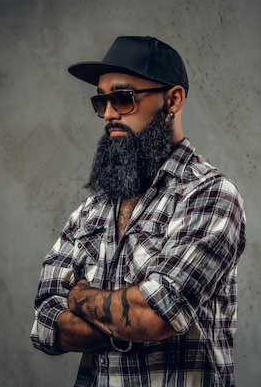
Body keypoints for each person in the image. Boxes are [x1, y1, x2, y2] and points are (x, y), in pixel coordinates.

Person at [30, 35, 247, 387]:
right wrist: (121, 324)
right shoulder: (93, 209)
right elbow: (44, 321)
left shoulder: (209, 195)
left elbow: (157, 314)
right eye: (102, 101)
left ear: (173, 99)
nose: (110, 114)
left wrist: (79, 296)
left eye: (123, 98)